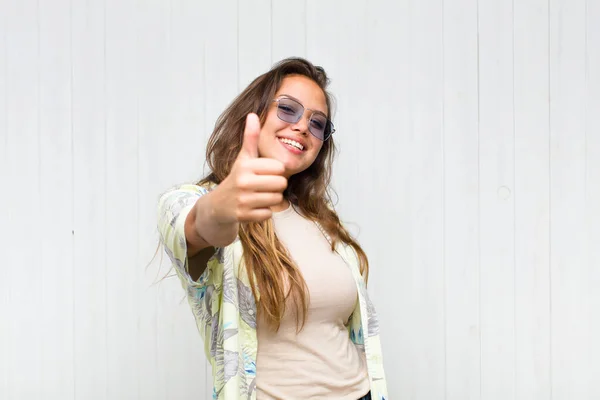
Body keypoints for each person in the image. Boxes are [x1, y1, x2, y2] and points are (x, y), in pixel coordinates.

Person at [157, 57, 388, 400]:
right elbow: (199, 224)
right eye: (288, 109)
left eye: (317, 123)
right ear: (256, 113)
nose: (302, 127)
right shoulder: (194, 201)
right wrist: (221, 207)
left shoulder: (319, 220)